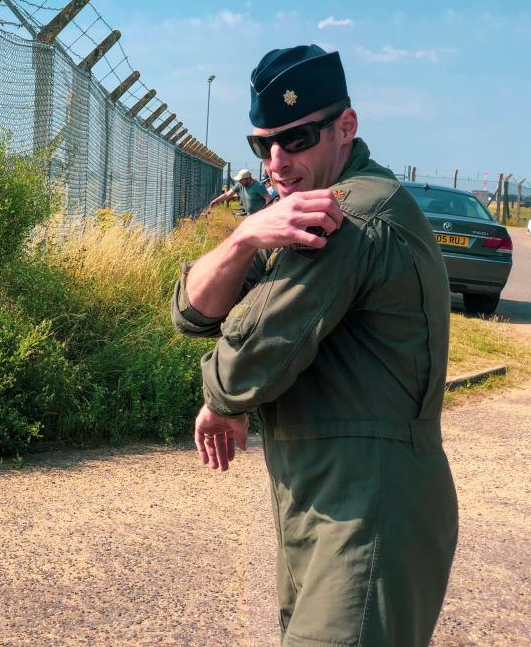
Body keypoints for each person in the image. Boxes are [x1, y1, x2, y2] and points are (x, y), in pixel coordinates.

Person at [171, 45, 457, 646]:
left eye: (296, 138)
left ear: (345, 128)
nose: (277, 161)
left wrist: (225, 398)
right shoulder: (297, 211)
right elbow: (194, 311)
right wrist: (245, 236)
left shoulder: (350, 215)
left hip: (366, 499)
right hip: (323, 496)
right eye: (261, 145)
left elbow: (252, 354)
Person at [203, 168, 272, 215]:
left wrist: (263, 212)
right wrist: (215, 201)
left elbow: (268, 199)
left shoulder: (258, 186)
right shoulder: (240, 184)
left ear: (247, 179)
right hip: (250, 215)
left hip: (260, 216)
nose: (239, 181)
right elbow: (227, 195)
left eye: (241, 180)